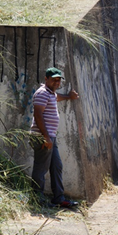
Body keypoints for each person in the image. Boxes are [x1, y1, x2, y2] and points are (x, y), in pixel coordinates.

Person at [30, 67, 79, 208]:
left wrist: (69, 97)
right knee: (41, 168)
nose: (57, 82)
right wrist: (46, 137)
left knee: (56, 166)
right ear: (46, 79)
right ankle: (37, 200)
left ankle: (58, 198)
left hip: (50, 136)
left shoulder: (50, 93)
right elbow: (38, 115)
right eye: (53, 80)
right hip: (42, 137)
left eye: (58, 80)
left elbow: (57, 98)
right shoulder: (42, 93)